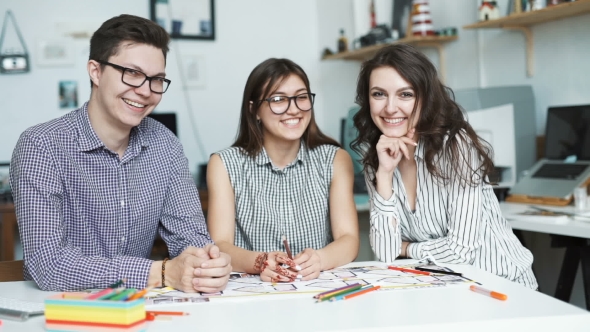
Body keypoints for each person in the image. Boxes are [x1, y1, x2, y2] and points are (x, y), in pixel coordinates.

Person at [9, 14, 231, 292]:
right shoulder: (41, 146)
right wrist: (161, 272)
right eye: (133, 73)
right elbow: (48, 265)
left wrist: (206, 263)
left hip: (136, 309)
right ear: (95, 71)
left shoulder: (166, 145)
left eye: (157, 79)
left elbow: (192, 238)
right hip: (60, 310)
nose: (145, 91)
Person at [351, 44, 537, 289]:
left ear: (425, 97)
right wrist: (384, 175)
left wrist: (407, 248)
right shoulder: (378, 157)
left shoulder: (456, 146)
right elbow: (386, 253)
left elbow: (461, 251)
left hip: (502, 287)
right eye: (379, 94)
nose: (390, 108)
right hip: (444, 289)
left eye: (405, 94)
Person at [207, 58, 359, 282]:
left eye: (301, 97)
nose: (293, 109)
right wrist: (260, 262)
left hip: (317, 290)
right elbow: (220, 245)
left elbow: (349, 239)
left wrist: (320, 258)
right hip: (254, 294)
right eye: (278, 99)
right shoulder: (223, 164)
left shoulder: (335, 159)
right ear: (254, 110)